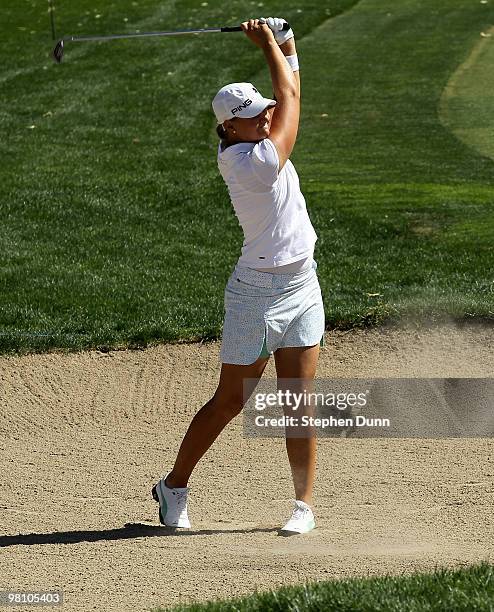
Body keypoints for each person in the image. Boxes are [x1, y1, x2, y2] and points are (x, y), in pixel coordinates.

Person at [152, 17, 325, 535]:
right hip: (256, 293)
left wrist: (288, 41)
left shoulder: (258, 141)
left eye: (263, 112)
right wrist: (270, 44)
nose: (266, 118)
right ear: (230, 128)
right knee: (232, 400)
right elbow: (291, 102)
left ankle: (302, 505)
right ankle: (173, 486)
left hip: (302, 284)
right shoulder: (248, 164)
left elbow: (286, 93)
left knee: (299, 398)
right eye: (254, 117)